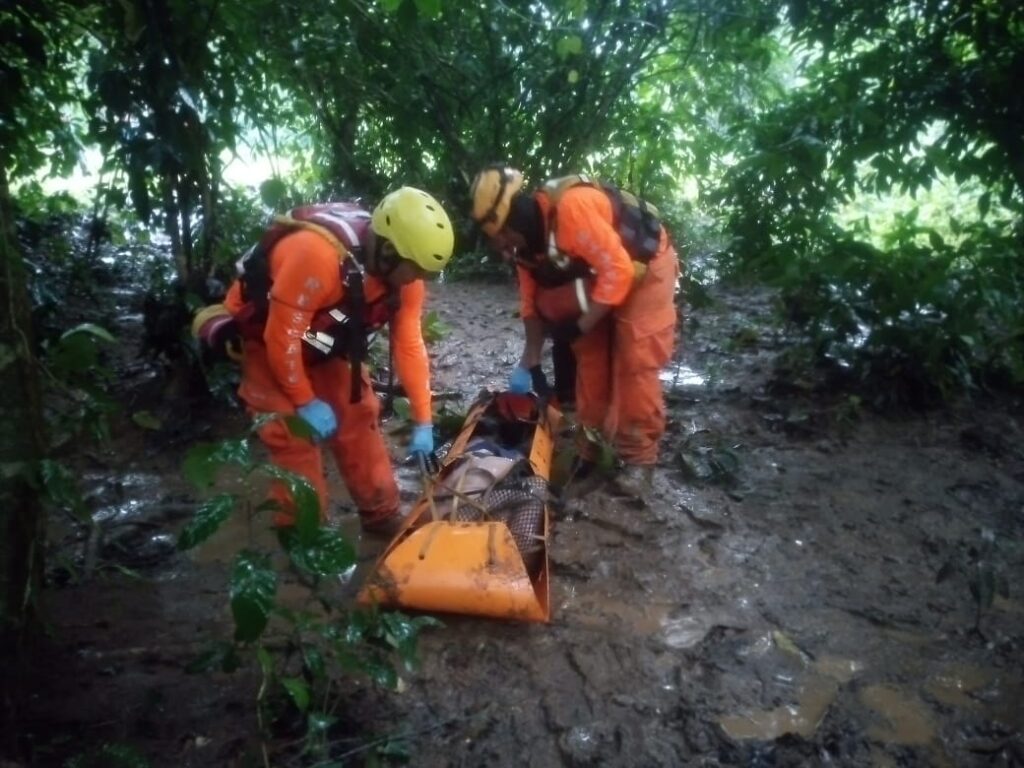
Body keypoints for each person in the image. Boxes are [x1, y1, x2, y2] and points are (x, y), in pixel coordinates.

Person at [200, 187, 454, 536]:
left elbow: (409, 344)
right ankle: (304, 539)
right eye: (414, 271)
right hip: (268, 339)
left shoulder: (404, 277)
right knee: (294, 440)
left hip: (320, 341)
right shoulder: (316, 255)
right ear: (389, 251)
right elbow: (282, 338)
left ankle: (381, 517)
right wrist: (304, 401)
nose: (416, 281)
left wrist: (423, 419)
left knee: (360, 414)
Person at [469, 166, 679, 498]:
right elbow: (530, 302)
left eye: (502, 238)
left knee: (634, 359)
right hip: (600, 277)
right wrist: (530, 361)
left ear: (512, 222)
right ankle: (591, 447)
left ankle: (640, 460)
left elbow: (621, 271)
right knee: (590, 358)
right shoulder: (525, 247)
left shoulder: (571, 210)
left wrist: (581, 323)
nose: (501, 248)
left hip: (643, 266)